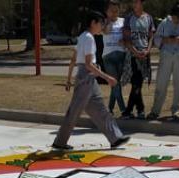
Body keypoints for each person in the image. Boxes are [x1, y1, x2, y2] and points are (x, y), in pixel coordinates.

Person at [52, 11, 130, 151]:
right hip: (86, 76)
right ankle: (60, 142)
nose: (101, 26)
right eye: (100, 23)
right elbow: (88, 64)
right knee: (75, 111)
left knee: (100, 109)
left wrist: (70, 78)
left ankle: (115, 138)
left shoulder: (83, 37)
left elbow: (75, 58)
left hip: (87, 78)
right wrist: (107, 77)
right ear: (93, 23)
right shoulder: (89, 38)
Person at [147, 2, 179, 120]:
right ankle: (155, 110)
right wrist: (166, 40)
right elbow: (157, 38)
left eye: (177, 16)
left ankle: (176, 111)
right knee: (161, 84)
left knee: (178, 85)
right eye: (173, 16)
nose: (175, 18)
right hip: (166, 55)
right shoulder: (165, 23)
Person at [121, 0, 155, 119]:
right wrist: (135, 52)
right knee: (136, 83)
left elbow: (151, 37)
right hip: (133, 55)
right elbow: (126, 39)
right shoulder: (128, 18)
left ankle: (136, 110)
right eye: (133, 2)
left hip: (145, 54)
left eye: (136, 2)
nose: (134, 4)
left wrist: (148, 50)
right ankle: (133, 110)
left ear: (141, 3)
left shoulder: (149, 18)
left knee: (138, 83)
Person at [102, 1, 127, 116]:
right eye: (112, 10)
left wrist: (125, 42)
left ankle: (109, 109)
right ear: (107, 11)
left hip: (121, 55)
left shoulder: (123, 21)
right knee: (115, 83)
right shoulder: (103, 22)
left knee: (115, 84)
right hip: (108, 56)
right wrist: (108, 21)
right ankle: (123, 110)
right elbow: (106, 31)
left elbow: (127, 36)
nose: (114, 13)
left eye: (116, 10)